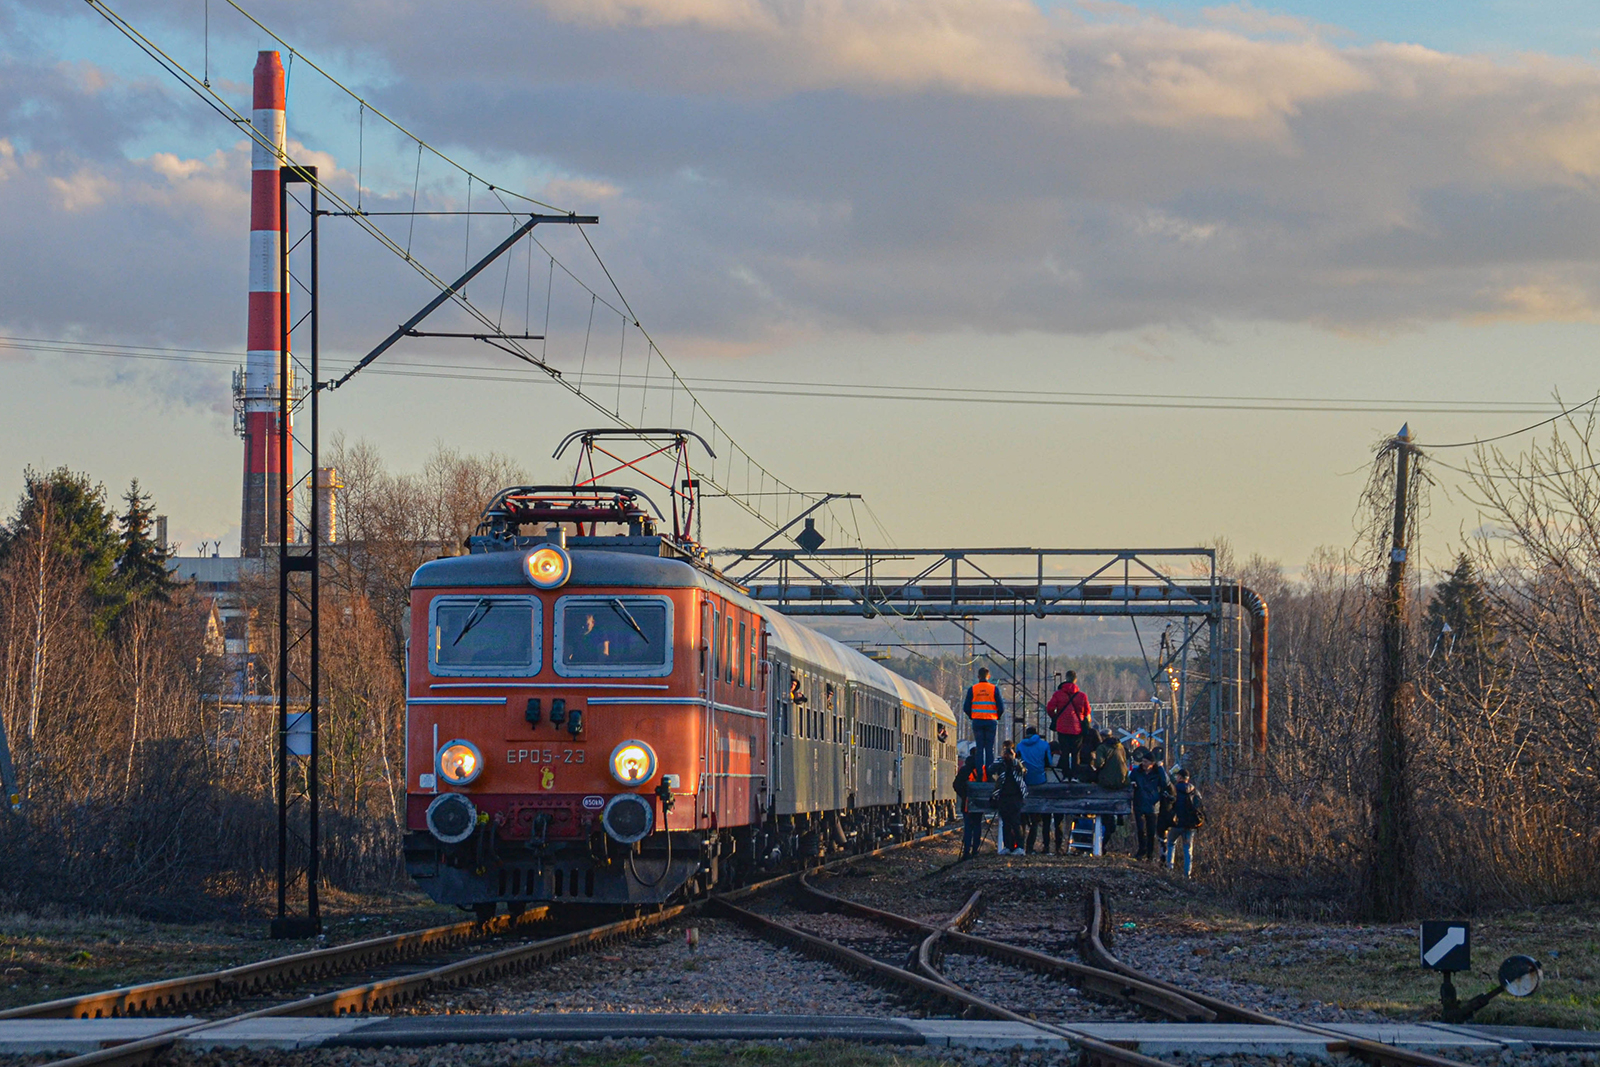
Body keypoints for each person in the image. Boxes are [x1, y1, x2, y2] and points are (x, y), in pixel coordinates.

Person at [1016, 727, 1055, 854]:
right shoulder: (1044, 745)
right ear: (1037, 734)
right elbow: (1048, 762)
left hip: (1024, 781)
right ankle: (1030, 846)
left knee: (1022, 816)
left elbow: (1017, 762)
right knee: (1035, 819)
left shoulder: (1020, 745)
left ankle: (1020, 846)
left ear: (1026, 734)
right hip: (1039, 781)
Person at [1128, 750, 1170, 861]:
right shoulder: (1137, 772)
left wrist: (1161, 768)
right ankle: (1141, 851)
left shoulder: (1157, 773)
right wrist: (1132, 784)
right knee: (1141, 830)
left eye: (1146, 762)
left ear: (1152, 763)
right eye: (1143, 761)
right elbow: (1129, 780)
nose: (1143, 764)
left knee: (1151, 831)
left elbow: (1166, 783)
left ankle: (1150, 854)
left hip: (1153, 806)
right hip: (1139, 803)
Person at [1045, 672, 1091, 772]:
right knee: (1076, 753)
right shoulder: (1082, 696)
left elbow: (1050, 708)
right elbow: (1087, 711)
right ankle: (1075, 775)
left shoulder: (1058, 694)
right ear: (1075, 680)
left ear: (1066, 679)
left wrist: (1055, 717)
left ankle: (1065, 775)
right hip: (1077, 728)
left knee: (1064, 752)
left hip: (1062, 727)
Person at [989, 739, 1028, 855]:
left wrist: (1014, 760)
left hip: (1016, 796)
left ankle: (1020, 847)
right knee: (1005, 823)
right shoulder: (1000, 762)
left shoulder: (1018, 761)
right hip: (1003, 796)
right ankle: (1007, 846)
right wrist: (1001, 759)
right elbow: (991, 769)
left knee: (1016, 822)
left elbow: (1024, 772)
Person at [1165, 766, 1204, 878]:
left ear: (1180, 777)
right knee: (1188, 849)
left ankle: (1169, 869)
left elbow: (1170, 805)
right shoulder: (1194, 790)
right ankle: (1187, 874)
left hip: (1177, 824)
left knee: (1171, 843)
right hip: (1191, 825)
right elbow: (1199, 806)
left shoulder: (1175, 789)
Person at [962, 667, 1004, 768]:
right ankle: (989, 774)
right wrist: (996, 717)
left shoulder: (973, 689)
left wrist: (972, 716)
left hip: (977, 722)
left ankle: (980, 775)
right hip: (991, 721)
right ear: (988, 676)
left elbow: (966, 707)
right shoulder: (994, 689)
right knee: (989, 749)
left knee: (979, 748)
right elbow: (1001, 707)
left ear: (978, 677)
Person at [953, 750, 989, 859]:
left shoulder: (964, 769)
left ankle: (966, 851)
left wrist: (964, 795)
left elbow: (956, 785)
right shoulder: (983, 770)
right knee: (977, 826)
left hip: (967, 803)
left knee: (968, 827)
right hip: (979, 804)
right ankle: (975, 851)